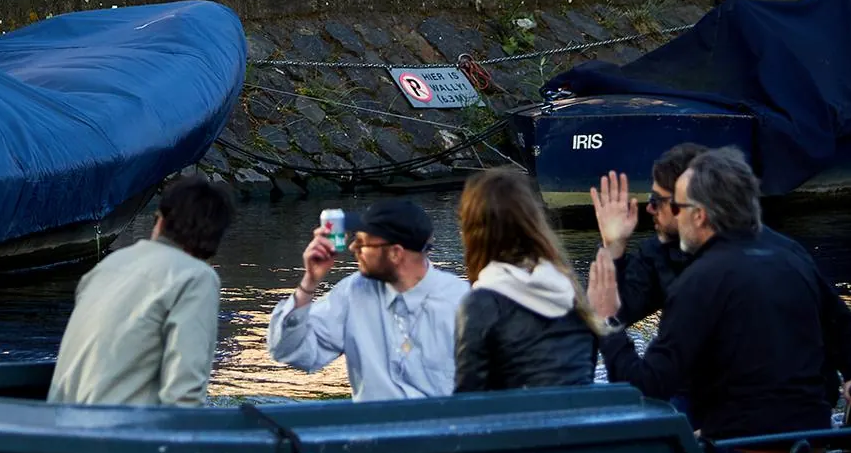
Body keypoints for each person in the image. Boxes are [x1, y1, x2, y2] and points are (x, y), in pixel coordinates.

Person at [587, 145, 851, 441]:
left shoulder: (702, 278)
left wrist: (607, 323)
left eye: (666, 202)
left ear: (699, 213)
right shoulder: (788, 254)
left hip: (739, 439)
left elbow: (645, 384)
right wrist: (613, 248)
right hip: (800, 423)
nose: (648, 208)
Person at [48, 174, 235, 407]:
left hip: (60, 420)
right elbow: (184, 393)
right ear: (215, 238)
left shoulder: (109, 265)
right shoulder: (196, 278)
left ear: (159, 221)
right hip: (121, 433)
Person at [266, 199, 467, 401]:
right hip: (373, 429)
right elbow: (288, 351)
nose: (353, 247)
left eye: (362, 243)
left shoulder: (461, 301)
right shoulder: (352, 293)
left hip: (443, 428)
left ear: (395, 253)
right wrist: (310, 281)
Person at [453, 169, 596, 391]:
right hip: (578, 419)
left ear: (472, 230)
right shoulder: (571, 292)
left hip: (521, 423)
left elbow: (469, 401)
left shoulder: (483, 304)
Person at [589, 153, 692, 325]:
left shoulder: (734, 266)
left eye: (657, 200)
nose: (650, 208)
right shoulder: (659, 254)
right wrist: (614, 246)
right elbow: (619, 316)